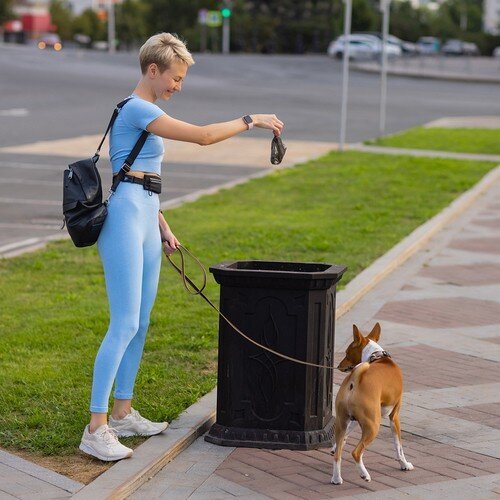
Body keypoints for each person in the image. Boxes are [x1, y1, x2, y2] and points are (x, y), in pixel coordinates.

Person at [79, 32, 284, 461]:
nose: (178, 86)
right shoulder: (137, 108)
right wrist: (250, 120)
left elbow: (138, 177)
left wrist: (163, 226)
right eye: (175, 77)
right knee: (123, 323)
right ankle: (95, 428)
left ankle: (122, 414)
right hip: (124, 224)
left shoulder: (147, 109)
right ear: (153, 71)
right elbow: (204, 137)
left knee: (141, 322)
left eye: (182, 79)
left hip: (144, 218)